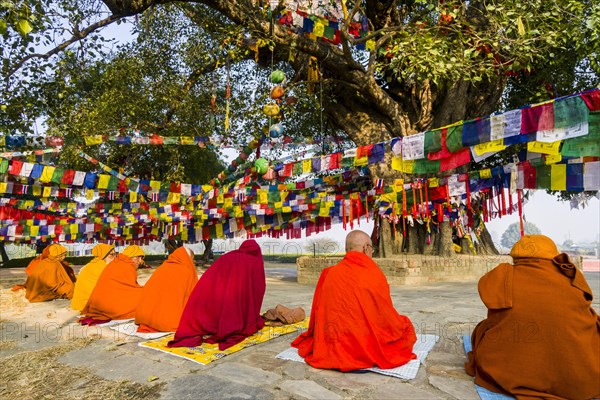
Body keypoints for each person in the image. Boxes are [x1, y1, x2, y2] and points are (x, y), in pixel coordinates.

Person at [465, 235, 600, 399]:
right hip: (582, 381)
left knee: (484, 329)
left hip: (508, 370)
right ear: (552, 255)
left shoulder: (503, 276)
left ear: (517, 256)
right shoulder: (570, 278)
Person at [291, 230, 417, 371]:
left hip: (331, 344)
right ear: (366, 248)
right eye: (372, 250)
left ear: (347, 250)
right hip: (364, 342)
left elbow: (318, 313)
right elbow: (384, 317)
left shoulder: (329, 273)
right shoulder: (373, 273)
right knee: (404, 326)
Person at [168, 239, 265, 350]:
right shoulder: (254, 262)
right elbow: (257, 289)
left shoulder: (230, 256)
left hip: (215, 304)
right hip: (233, 302)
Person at [135, 247, 198, 333]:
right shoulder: (187, 271)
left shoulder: (161, 268)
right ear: (188, 258)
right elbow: (195, 298)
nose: (193, 262)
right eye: (192, 259)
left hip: (145, 318)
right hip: (168, 321)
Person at [79, 245, 144, 324]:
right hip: (108, 306)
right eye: (139, 258)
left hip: (98, 305)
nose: (141, 261)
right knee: (146, 298)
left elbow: (127, 288)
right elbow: (130, 291)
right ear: (132, 257)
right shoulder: (126, 266)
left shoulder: (116, 263)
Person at [70, 244, 117, 312]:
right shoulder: (100, 267)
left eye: (115, 254)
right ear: (103, 256)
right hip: (88, 304)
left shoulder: (95, 263)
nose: (115, 257)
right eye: (111, 255)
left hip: (82, 303)